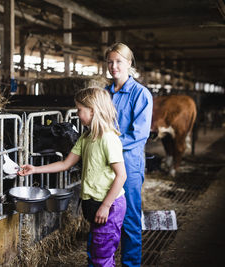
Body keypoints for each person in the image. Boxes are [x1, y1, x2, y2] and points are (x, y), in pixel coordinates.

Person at [18, 87, 127, 266]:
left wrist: (106, 206)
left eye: (79, 110)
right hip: (95, 203)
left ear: (93, 110)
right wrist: (35, 169)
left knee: (102, 255)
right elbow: (65, 164)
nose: (77, 114)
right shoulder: (86, 137)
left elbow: (121, 175)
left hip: (109, 205)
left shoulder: (108, 138)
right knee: (95, 251)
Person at [105, 42, 153, 267]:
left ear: (129, 64)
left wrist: (108, 146)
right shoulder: (104, 93)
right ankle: (104, 261)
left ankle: (131, 264)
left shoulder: (140, 94)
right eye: (110, 62)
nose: (114, 66)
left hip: (128, 164)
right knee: (104, 215)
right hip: (104, 165)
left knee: (129, 219)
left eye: (119, 62)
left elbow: (140, 135)